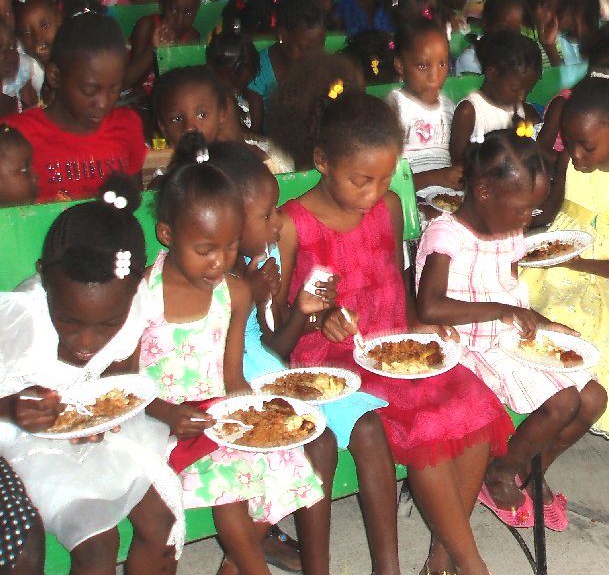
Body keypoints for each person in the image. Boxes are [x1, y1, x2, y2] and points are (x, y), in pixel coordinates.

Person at [277, 92, 512, 575]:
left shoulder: (387, 208)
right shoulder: (292, 224)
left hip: (394, 346)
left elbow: (396, 281)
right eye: (360, 180)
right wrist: (320, 318)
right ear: (322, 161)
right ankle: (473, 565)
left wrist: (424, 331)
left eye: (385, 179)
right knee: (426, 425)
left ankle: (442, 559)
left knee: (473, 402)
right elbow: (278, 313)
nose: (373, 193)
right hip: (332, 359)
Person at [140, 137, 330, 575]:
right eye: (206, 250)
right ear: (167, 235)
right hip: (160, 426)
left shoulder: (234, 293)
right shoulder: (144, 298)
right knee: (231, 495)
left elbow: (233, 379)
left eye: (229, 247)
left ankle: (238, 566)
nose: (218, 263)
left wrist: (256, 420)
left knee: (287, 461)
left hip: (218, 417)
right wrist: (168, 413)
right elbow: (130, 385)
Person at [416, 129, 607, 532]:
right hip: (465, 346)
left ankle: (523, 465)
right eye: (522, 209)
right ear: (484, 192)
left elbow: (510, 292)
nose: (527, 220)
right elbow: (429, 304)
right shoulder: (446, 235)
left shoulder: (509, 230)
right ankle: (502, 473)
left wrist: (542, 320)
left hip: (506, 339)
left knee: (593, 399)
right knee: (563, 402)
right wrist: (504, 311)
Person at [0, 177, 184, 574]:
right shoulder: (22, 318)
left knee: (161, 522)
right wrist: (15, 407)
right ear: (44, 280)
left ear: (134, 289)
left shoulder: (134, 301)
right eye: (68, 320)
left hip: (97, 431)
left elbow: (120, 374)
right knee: (99, 542)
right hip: (27, 443)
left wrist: (104, 412)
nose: (86, 340)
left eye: (107, 324)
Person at [521, 78, 609, 440]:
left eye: (587, 146)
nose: (576, 154)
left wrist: (575, 264)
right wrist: (521, 228)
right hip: (558, 261)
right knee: (514, 299)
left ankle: (562, 408)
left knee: (569, 320)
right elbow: (550, 211)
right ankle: (533, 401)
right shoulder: (568, 161)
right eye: (571, 143)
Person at [4, 11, 146, 202]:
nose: (103, 102)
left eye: (114, 88)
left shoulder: (127, 125)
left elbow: (133, 201)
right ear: (54, 76)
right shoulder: (15, 137)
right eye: (89, 91)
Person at [387, 21, 462, 190]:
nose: (434, 76)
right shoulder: (395, 107)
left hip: (447, 198)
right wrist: (435, 177)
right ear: (400, 65)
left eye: (442, 64)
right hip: (409, 198)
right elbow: (387, 180)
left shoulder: (450, 109)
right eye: (422, 65)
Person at [448, 31, 542, 164]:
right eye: (516, 89)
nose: (522, 97)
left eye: (528, 90)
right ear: (492, 73)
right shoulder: (470, 111)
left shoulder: (523, 110)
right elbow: (458, 160)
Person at [124, 0, 201, 97]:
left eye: (188, 13)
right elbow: (134, 82)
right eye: (173, 10)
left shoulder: (193, 37)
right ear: (162, 5)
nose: (179, 20)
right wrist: (154, 49)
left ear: (197, 11)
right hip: (140, 92)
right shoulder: (147, 26)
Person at [247, 0, 327, 108]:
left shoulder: (324, 68)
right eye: (303, 48)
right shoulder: (256, 72)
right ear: (282, 35)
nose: (312, 56)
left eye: (319, 49)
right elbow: (256, 125)